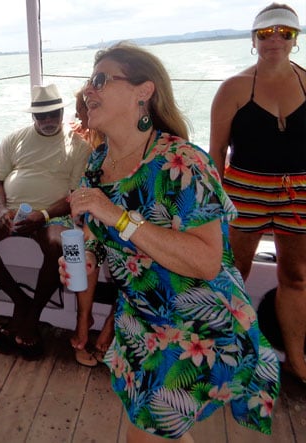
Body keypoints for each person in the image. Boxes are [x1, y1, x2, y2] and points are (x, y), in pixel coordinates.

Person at [60, 41, 280, 442]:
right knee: (156, 434)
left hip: (194, 326)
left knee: (145, 435)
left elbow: (207, 261)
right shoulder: (97, 162)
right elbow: (95, 235)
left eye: (101, 80)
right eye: (90, 81)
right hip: (140, 322)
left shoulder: (181, 163)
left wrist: (118, 217)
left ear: (143, 92)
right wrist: (88, 255)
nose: (89, 90)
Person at [209, 3, 306, 384]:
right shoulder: (233, 88)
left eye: (285, 32)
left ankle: (295, 359)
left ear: (295, 39)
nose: (275, 39)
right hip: (243, 192)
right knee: (232, 274)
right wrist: (214, 204)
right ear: (253, 39)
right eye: (266, 33)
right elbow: (217, 151)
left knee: (296, 276)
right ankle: (224, 354)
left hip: (299, 194)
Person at [0, 84, 91, 359]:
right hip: (10, 209)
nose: (48, 120)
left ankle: (32, 315)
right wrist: (0, 210)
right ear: (33, 116)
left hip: (53, 214)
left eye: (53, 114)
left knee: (57, 245)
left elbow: (74, 195)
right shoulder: (14, 139)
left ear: (62, 112)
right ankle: (20, 300)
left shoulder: (79, 146)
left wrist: (43, 215)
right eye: (41, 115)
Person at [68, 85, 116, 367]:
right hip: (96, 223)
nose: (79, 117)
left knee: (130, 256)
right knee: (78, 251)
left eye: (82, 110)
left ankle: (112, 323)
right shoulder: (96, 150)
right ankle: (83, 319)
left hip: (132, 228)